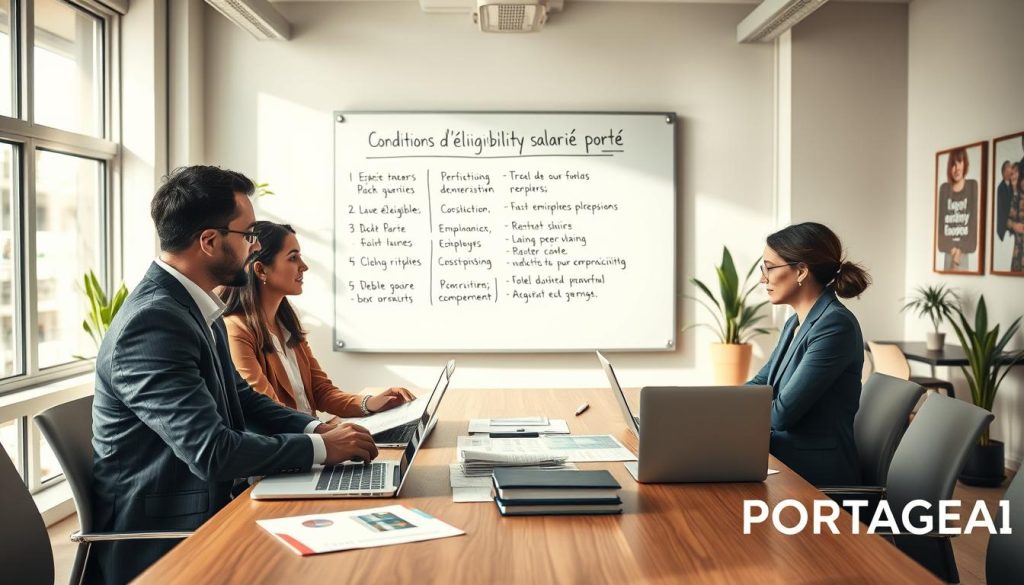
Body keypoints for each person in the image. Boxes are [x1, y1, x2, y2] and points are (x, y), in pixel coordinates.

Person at [90, 166, 378, 584]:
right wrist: (320, 448)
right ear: (209, 241)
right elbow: (212, 452)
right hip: (170, 538)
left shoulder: (191, 307)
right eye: (248, 235)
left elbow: (241, 398)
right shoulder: (153, 322)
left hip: (215, 508)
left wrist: (319, 429)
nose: (254, 246)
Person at [219, 221, 413, 418]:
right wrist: (324, 433)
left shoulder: (286, 324)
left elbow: (321, 391)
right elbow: (268, 412)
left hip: (311, 433)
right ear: (261, 270)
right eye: (293, 258)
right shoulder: (236, 330)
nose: (304, 266)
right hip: (292, 436)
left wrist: (370, 403)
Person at [747, 222, 870, 487]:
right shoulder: (795, 322)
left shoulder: (835, 325)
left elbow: (781, 415)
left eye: (769, 268)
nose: (762, 279)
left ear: (801, 271)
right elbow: (761, 383)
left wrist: (727, 413)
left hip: (813, 477)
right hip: (782, 461)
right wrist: (715, 406)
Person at [936, 148, 979, 271]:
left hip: (964, 253)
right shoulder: (944, 189)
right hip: (948, 252)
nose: (957, 168)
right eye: (953, 165)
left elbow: (973, 227)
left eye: (959, 162)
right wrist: (952, 249)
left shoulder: (972, 187)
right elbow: (941, 229)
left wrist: (959, 250)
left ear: (965, 163)